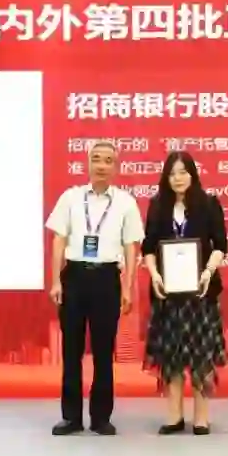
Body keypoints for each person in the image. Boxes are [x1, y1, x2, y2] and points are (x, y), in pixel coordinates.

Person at [45, 141, 144, 436]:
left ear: (116, 167)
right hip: (74, 277)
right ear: (88, 164)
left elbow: (131, 246)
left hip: (107, 279)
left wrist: (127, 287)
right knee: (71, 351)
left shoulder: (125, 202)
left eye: (108, 160)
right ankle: (71, 417)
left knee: (103, 352)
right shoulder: (71, 198)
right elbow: (58, 240)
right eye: (96, 159)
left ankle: (101, 417)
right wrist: (56, 281)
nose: (101, 165)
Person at [141, 151, 228, 435]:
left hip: (200, 292)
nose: (177, 178)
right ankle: (174, 416)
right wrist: (154, 274)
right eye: (172, 173)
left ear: (192, 174)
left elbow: (220, 245)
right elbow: (148, 247)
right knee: (172, 355)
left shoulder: (208, 204)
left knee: (201, 354)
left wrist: (208, 272)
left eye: (183, 172)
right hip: (168, 293)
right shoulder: (158, 206)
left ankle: (201, 417)